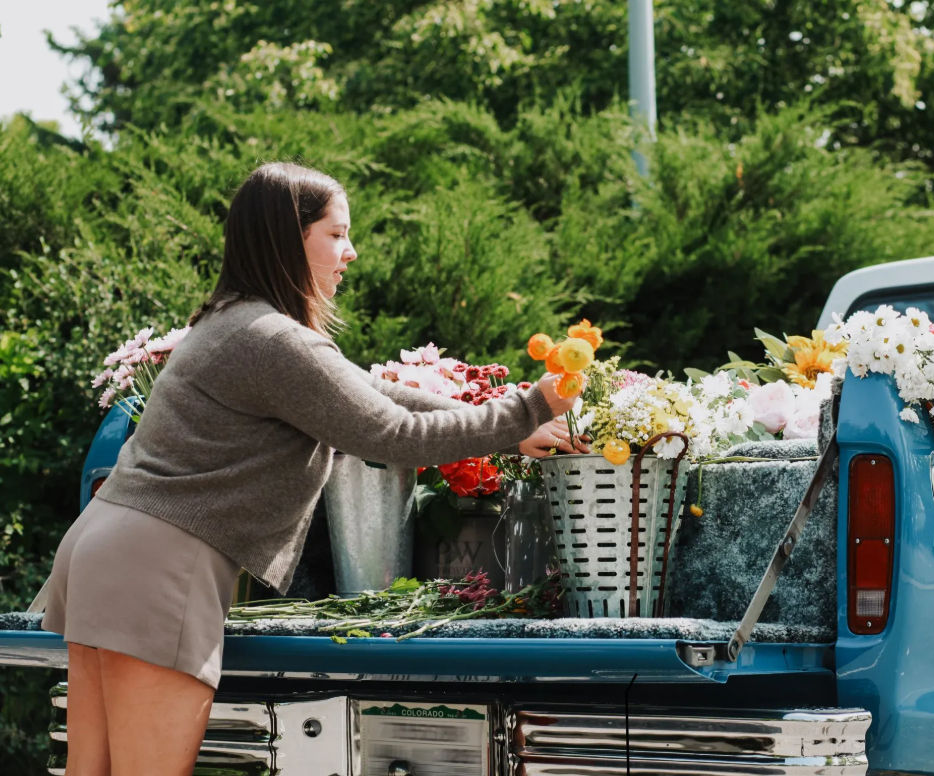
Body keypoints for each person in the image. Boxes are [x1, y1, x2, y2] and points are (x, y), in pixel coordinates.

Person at [41, 161, 584, 776]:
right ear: (286, 237)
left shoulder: (235, 321)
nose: (350, 252)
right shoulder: (274, 338)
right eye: (336, 233)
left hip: (107, 551)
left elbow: (372, 394)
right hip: (159, 564)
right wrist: (532, 404)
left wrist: (514, 428)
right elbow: (392, 433)